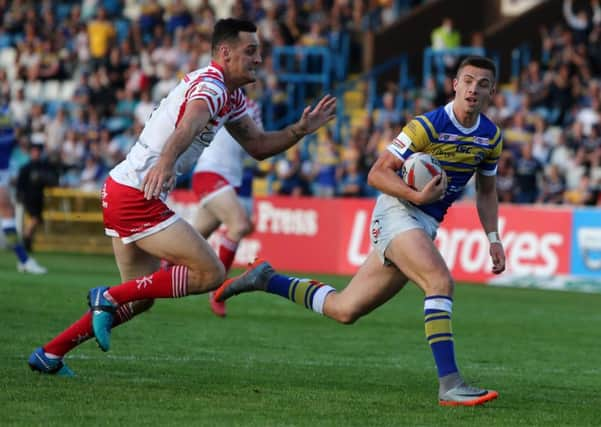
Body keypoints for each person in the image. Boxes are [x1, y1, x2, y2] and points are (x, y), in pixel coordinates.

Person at [28, 18, 336, 376]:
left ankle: (50, 353)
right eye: (250, 50)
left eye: (259, 51)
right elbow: (189, 123)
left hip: (122, 189)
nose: (258, 58)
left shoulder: (231, 96)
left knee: (141, 298)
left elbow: (258, 146)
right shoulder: (212, 84)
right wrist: (166, 162)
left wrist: (300, 129)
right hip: (136, 195)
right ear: (225, 52)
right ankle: (108, 296)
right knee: (210, 273)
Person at [214, 56, 506, 407]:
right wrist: (416, 194)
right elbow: (377, 172)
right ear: (455, 84)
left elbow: (487, 192)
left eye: (483, 83)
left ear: (492, 91)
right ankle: (450, 384)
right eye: (468, 81)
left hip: (423, 225)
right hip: (398, 212)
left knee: (344, 309)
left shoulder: (490, 137)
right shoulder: (427, 126)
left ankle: (267, 279)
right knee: (439, 283)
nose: (474, 89)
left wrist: (493, 239)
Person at [191, 95, 263, 317]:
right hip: (209, 171)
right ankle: (217, 288)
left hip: (234, 180)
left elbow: (257, 145)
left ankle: (155, 274)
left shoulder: (254, 107)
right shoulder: (216, 94)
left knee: (192, 238)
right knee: (239, 225)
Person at [0, 104, 47, 274]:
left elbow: (11, 139)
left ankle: (23, 259)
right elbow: (8, 140)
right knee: (7, 213)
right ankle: (24, 260)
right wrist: (15, 136)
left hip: (3, 169)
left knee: (8, 213)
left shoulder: (5, 111)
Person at [15, 141, 59, 252]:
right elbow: (20, 184)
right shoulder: (26, 168)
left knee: (37, 220)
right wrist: (20, 195)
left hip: (39, 197)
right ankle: (25, 238)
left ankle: (28, 241)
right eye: (34, 151)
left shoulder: (43, 166)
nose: (37, 153)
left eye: (38, 151)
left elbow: (52, 179)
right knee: (35, 219)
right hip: (29, 197)